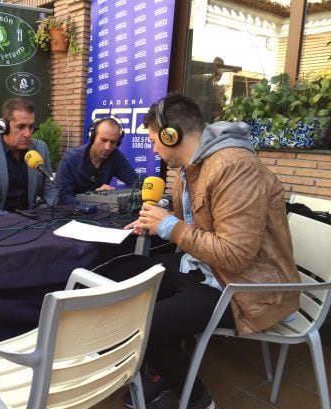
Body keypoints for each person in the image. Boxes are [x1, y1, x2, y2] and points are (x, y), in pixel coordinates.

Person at [119, 93, 299, 409]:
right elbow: (200, 225)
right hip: (207, 268)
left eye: (154, 141)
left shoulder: (235, 167)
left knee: (144, 329)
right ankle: (158, 376)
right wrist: (157, 220)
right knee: (131, 275)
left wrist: (169, 227)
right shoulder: (192, 167)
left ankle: (198, 402)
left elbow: (236, 255)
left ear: (170, 134)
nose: (154, 149)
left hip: (245, 288)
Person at [0, 98, 58, 215]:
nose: (27, 134)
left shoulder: (40, 148)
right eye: (21, 127)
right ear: (3, 127)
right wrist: (15, 219)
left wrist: (45, 210)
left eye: (31, 127)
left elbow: (51, 188)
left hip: (34, 222)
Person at [55, 117, 138, 205]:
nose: (108, 147)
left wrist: (111, 195)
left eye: (113, 142)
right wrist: (96, 198)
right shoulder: (70, 159)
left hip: (100, 213)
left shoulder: (116, 156)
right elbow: (62, 197)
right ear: (93, 137)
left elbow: (135, 183)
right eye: (103, 140)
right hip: (71, 214)